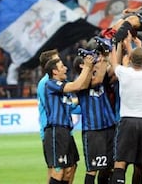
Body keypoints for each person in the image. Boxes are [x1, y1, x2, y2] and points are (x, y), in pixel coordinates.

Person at [43, 55, 94, 184]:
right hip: (56, 131)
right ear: (54, 71)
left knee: (69, 170)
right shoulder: (51, 84)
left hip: (66, 132)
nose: (65, 68)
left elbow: (81, 87)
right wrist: (87, 67)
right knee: (58, 171)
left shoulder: (63, 88)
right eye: (62, 66)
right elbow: (76, 86)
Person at [109, 45, 142, 184]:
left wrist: (114, 45)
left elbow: (113, 62)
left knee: (121, 162)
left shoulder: (124, 72)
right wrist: (137, 44)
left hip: (127, 120)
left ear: (129, 59)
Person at [73, 44, 116, 184]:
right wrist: (104, 56)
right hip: (93, 131)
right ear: (82, 65)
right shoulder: (79, 83)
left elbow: (112, 70)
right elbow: (96, 81)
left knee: (110, 167)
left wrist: (113, 49)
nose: (95, 61)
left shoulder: (101, 77)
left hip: (109, 127)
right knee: (92, 169)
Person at [37, 49, 80, 184]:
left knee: (71, 167)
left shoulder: (60, 80)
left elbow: (66, 104)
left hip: (65, 129)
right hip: (53, 129)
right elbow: (53, 107)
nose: (60, 61)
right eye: (56, 60)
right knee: (55, 170)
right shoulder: (46, 83)